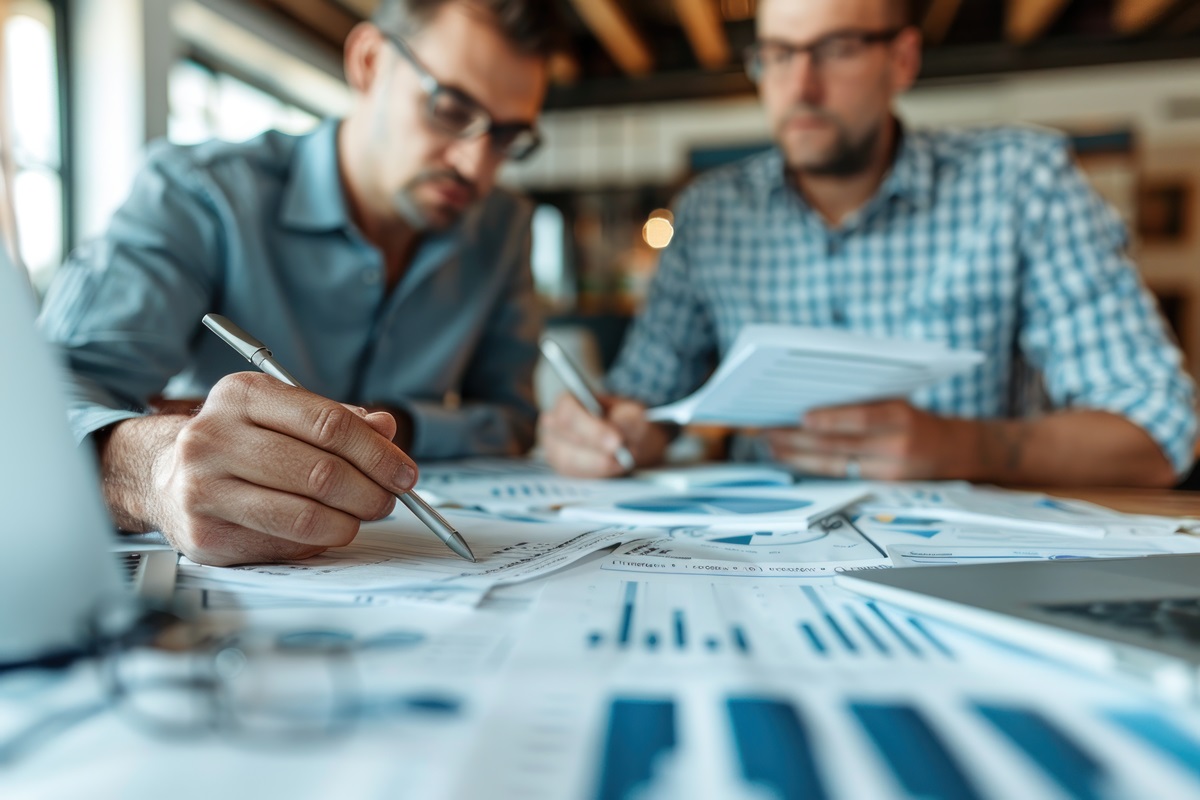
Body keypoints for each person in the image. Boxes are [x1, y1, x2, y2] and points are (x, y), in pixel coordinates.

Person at [540, 0, 1197, 488]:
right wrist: (604, 433)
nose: (801, 87)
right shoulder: (709, 213)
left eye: (837, 48)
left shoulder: (1022, 183)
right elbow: (645, 403)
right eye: (777, 54)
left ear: (902, 59)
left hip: (961, 563)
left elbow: (1159, 431)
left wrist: (965, 448)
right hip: (749, 559)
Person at [38, 0, 562, 565]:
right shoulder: (199, 195)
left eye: (508, 138)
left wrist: (388, 426)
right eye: (452, 110)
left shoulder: (503, 229)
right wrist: (156, 469)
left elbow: (512, 418)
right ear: (369, 62)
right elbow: (38, 405)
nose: (476, 166)